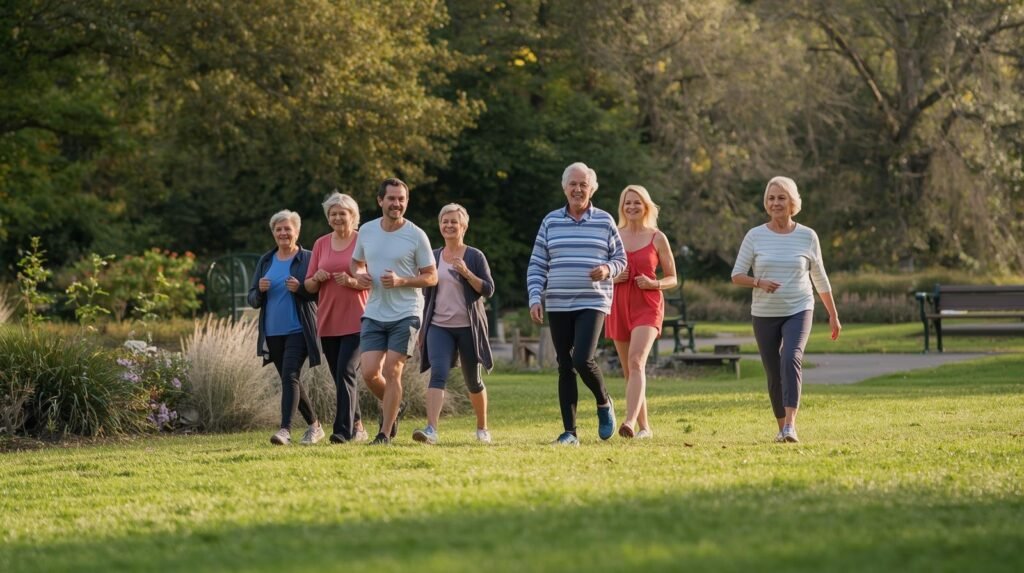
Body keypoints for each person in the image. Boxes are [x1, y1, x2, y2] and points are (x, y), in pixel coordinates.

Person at [731, 176, 842, 443]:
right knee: (773, 370)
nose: (776, 203)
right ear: (766, 203)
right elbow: (736, 275)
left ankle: (791, 425)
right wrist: (759, 282)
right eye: (771, 198)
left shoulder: (807, 236)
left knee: (790, 357)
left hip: (799, 307)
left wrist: (833, 314)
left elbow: (820, 278)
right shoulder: (755, 236)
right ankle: (781, 428)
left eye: (781, 198)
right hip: (764, 313)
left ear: (793, 202)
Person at [527, 162, 627, 446]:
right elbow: (537, 264)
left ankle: (604, 402)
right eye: (573, 183)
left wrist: (608, 269)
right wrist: (536, 296)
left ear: (592, 188)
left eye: (583, 184)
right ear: (564, 187)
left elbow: (621, 259)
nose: (578, 189)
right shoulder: (550, 221)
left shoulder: (605, 221)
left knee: (582, 358)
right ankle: (570, 432)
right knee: (564, 366)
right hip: (558, 302)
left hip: (593, 300)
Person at [351, 178, 437, 445]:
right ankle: (394, 405)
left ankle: (384, 434)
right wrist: (360, 275)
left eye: (401, 199)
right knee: (368, 373)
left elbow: (432, 277)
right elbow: (356, 264)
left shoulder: (416, 235)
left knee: (392, 370)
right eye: (391, 198)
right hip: (375, 311)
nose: (396, 204)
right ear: (380, 201)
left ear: (406, 202)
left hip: (407, 312)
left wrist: (402, 281)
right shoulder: (366, 231)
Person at [413, 204, 495, 445]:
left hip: (469, 328)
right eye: (444, 221)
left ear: (464, 227)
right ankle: (431, 430)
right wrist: (422, 328)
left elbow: (488, 289)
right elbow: (425, 294)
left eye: (453, 222)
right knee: (438, 373)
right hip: (439, 326)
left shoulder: (474, 256)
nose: (448, 225)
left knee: (473, 380)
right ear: (440, 225)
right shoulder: (433, 256)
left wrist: (468, 274)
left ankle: (482, 428)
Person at [248, 210, 325, 446]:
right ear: (273, 233)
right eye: (278, 229)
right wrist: (259, 290)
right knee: (290, 379)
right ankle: (315, 426)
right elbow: (251, 299)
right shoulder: (266, 261)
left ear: (297, 231)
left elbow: (319, 294)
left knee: (290, 374)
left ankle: (285, 430)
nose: (283, 233)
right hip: (272, 333)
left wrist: (301, 288)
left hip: (299, 330)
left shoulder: (309, 258)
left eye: (287, 228)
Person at [606, 185, 677, 439]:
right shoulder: (613, 234)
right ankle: (645, 428)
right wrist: (614, 278)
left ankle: (628, 422)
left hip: (647, 304)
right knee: (629, 370)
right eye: (627, 203)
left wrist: (654, 283)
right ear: (622, 207)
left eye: (637, 202)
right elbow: (600, 273)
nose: (632, 207)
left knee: (636, 361)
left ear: (646, 206)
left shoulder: (657, 237)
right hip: (618, 304)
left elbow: (672, 278)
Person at [304, 192, 371, 444]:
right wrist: (317, 278)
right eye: (332, 213)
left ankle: (342, 432)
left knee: (345, 371)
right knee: (342, 377)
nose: (337, 217)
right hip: (328, 320)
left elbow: (373, 280)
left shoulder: (363, 241)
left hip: (358, 318)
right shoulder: (321, 243)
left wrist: (353, 282)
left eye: (342, 213)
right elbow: (308, 286)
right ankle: (359, 426)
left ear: (353, 216)